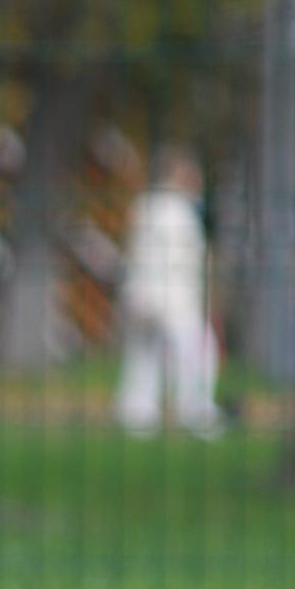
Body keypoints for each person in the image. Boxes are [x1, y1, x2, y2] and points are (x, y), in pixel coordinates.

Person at [113, 144, 224, 437]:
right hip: (173, 296)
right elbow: (189, 259)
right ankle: (195, 410)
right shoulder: (181, 211)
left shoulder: (145, 204)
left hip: (138, 291)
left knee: (142, 354)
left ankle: (136, 413)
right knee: (197, 351)